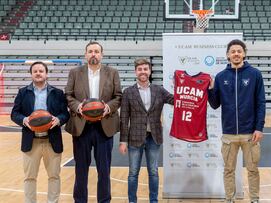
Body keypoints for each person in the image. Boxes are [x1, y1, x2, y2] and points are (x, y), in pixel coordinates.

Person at [208, 39, 266, 203]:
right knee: (228, 170)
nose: (236, 54)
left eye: (239, 51)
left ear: (244, 54)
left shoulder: (255, 74)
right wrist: (210, 90)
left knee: (253, 170)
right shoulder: (220, 77)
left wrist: (259, 127)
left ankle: (254, 199)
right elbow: (214, 105)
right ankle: (229, 199)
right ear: (228, 55)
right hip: (229, 134)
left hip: (250, 133)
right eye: (233, 51)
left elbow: (260, 103)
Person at [65, 41, 122, 203]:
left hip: (104, 127)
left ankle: (104, 201)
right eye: (90, 51)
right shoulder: (75, 72)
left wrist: (108, 108)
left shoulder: (112, 72)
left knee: (104, 170)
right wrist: (79, 107)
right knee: (80, 170)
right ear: (85, 55)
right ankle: (80, 201)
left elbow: (118, 97)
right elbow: (68, 95)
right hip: (82, 126)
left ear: (102, 55)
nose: (93, 54)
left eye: (97, 51)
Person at [11, 61, 69, 203]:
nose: (38, 73)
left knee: (54, 176)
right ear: (31, 74)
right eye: (35, 71)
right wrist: (24, 120)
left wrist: (59, 119)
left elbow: (65, 114)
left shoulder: (57, 93)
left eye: (41, 71)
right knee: (30, 177)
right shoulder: (23, 92)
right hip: (31, 141)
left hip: (52, 140)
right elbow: (14, 114)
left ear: (46, 74)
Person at [118, 58, 174, 203]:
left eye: (145, 69)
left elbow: (174, 100)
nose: (143, 72)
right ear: (135, 72)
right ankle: (132, 201)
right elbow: (124, 118)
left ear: (149, 71)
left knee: (154, 172)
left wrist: (181, 86)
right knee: (133, 173)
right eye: (140, 69)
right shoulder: (128, 92)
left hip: (154, 137)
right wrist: (122, 141)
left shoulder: (159, 90)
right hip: (134, 138)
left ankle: (153, 201)